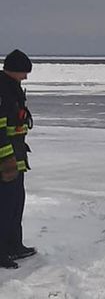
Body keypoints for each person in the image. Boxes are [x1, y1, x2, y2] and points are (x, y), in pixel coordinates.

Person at [0, 49, 36, 269]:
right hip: (6, 159)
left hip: (17, 155)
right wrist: (6, 160)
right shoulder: (3, 90)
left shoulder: (13, 88)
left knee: (16, 204)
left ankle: (14, 245)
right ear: (14, 69)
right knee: (4, 207)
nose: (26, 77)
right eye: (24, 72)